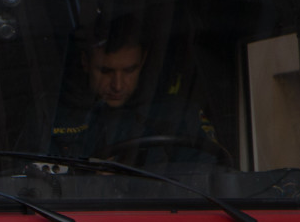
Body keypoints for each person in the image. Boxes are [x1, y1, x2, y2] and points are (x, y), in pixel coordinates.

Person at [50, 15, 219, 164]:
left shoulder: (178, 114)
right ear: (85, 62)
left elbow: (205, 177)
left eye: (129, 70)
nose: (117, 85)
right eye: (106, 71)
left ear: (143, 60)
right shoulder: (51, 116)